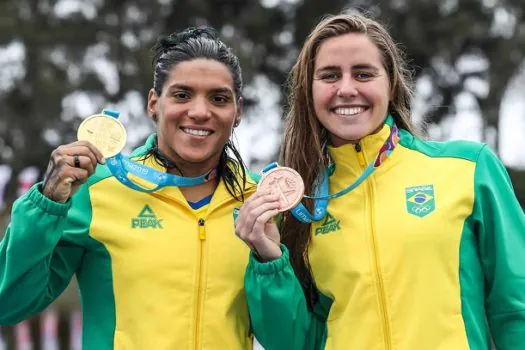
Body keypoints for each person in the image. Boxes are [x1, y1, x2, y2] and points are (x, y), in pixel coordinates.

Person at [235, 12, 525, 350]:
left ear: (390, 84)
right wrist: (270, 261)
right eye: (329, 76)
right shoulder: (301, 208)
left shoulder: (467, 168)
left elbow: (515, 305)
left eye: (363, 74)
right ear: (309, 93)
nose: (346, 89)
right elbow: (298, 342)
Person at [0, 27, 260, 349]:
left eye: (218, 98)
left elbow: (291, 337)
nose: (199, 112)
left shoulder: (261, 201)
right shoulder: (95, 190)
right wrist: (46, 205)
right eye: (182, 95)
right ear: (154, 104)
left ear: (238, 112)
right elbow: (8, 303)